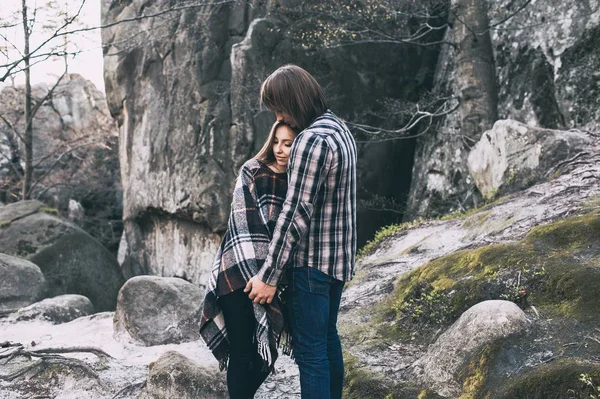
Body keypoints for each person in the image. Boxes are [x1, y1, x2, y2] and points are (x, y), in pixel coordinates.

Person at [245, 64, 357, 399]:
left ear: (294, 101)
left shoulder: (310, 141)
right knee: (325, 340)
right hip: (337, 262)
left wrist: (269, 275)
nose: (279, 116)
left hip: (310, 266)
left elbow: (295, 213)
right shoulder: (340, 130)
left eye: (280, 108)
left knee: (310, 353)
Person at [199, 121, 299, 399]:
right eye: (277, 141)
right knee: (242, 352)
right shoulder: (252, 171)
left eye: (288, 143)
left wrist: (272, 276)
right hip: (236, 270)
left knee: (268, 353)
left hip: (271, 277)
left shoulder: (298, 181)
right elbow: (243, 226)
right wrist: (263, 273)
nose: (280, 149)